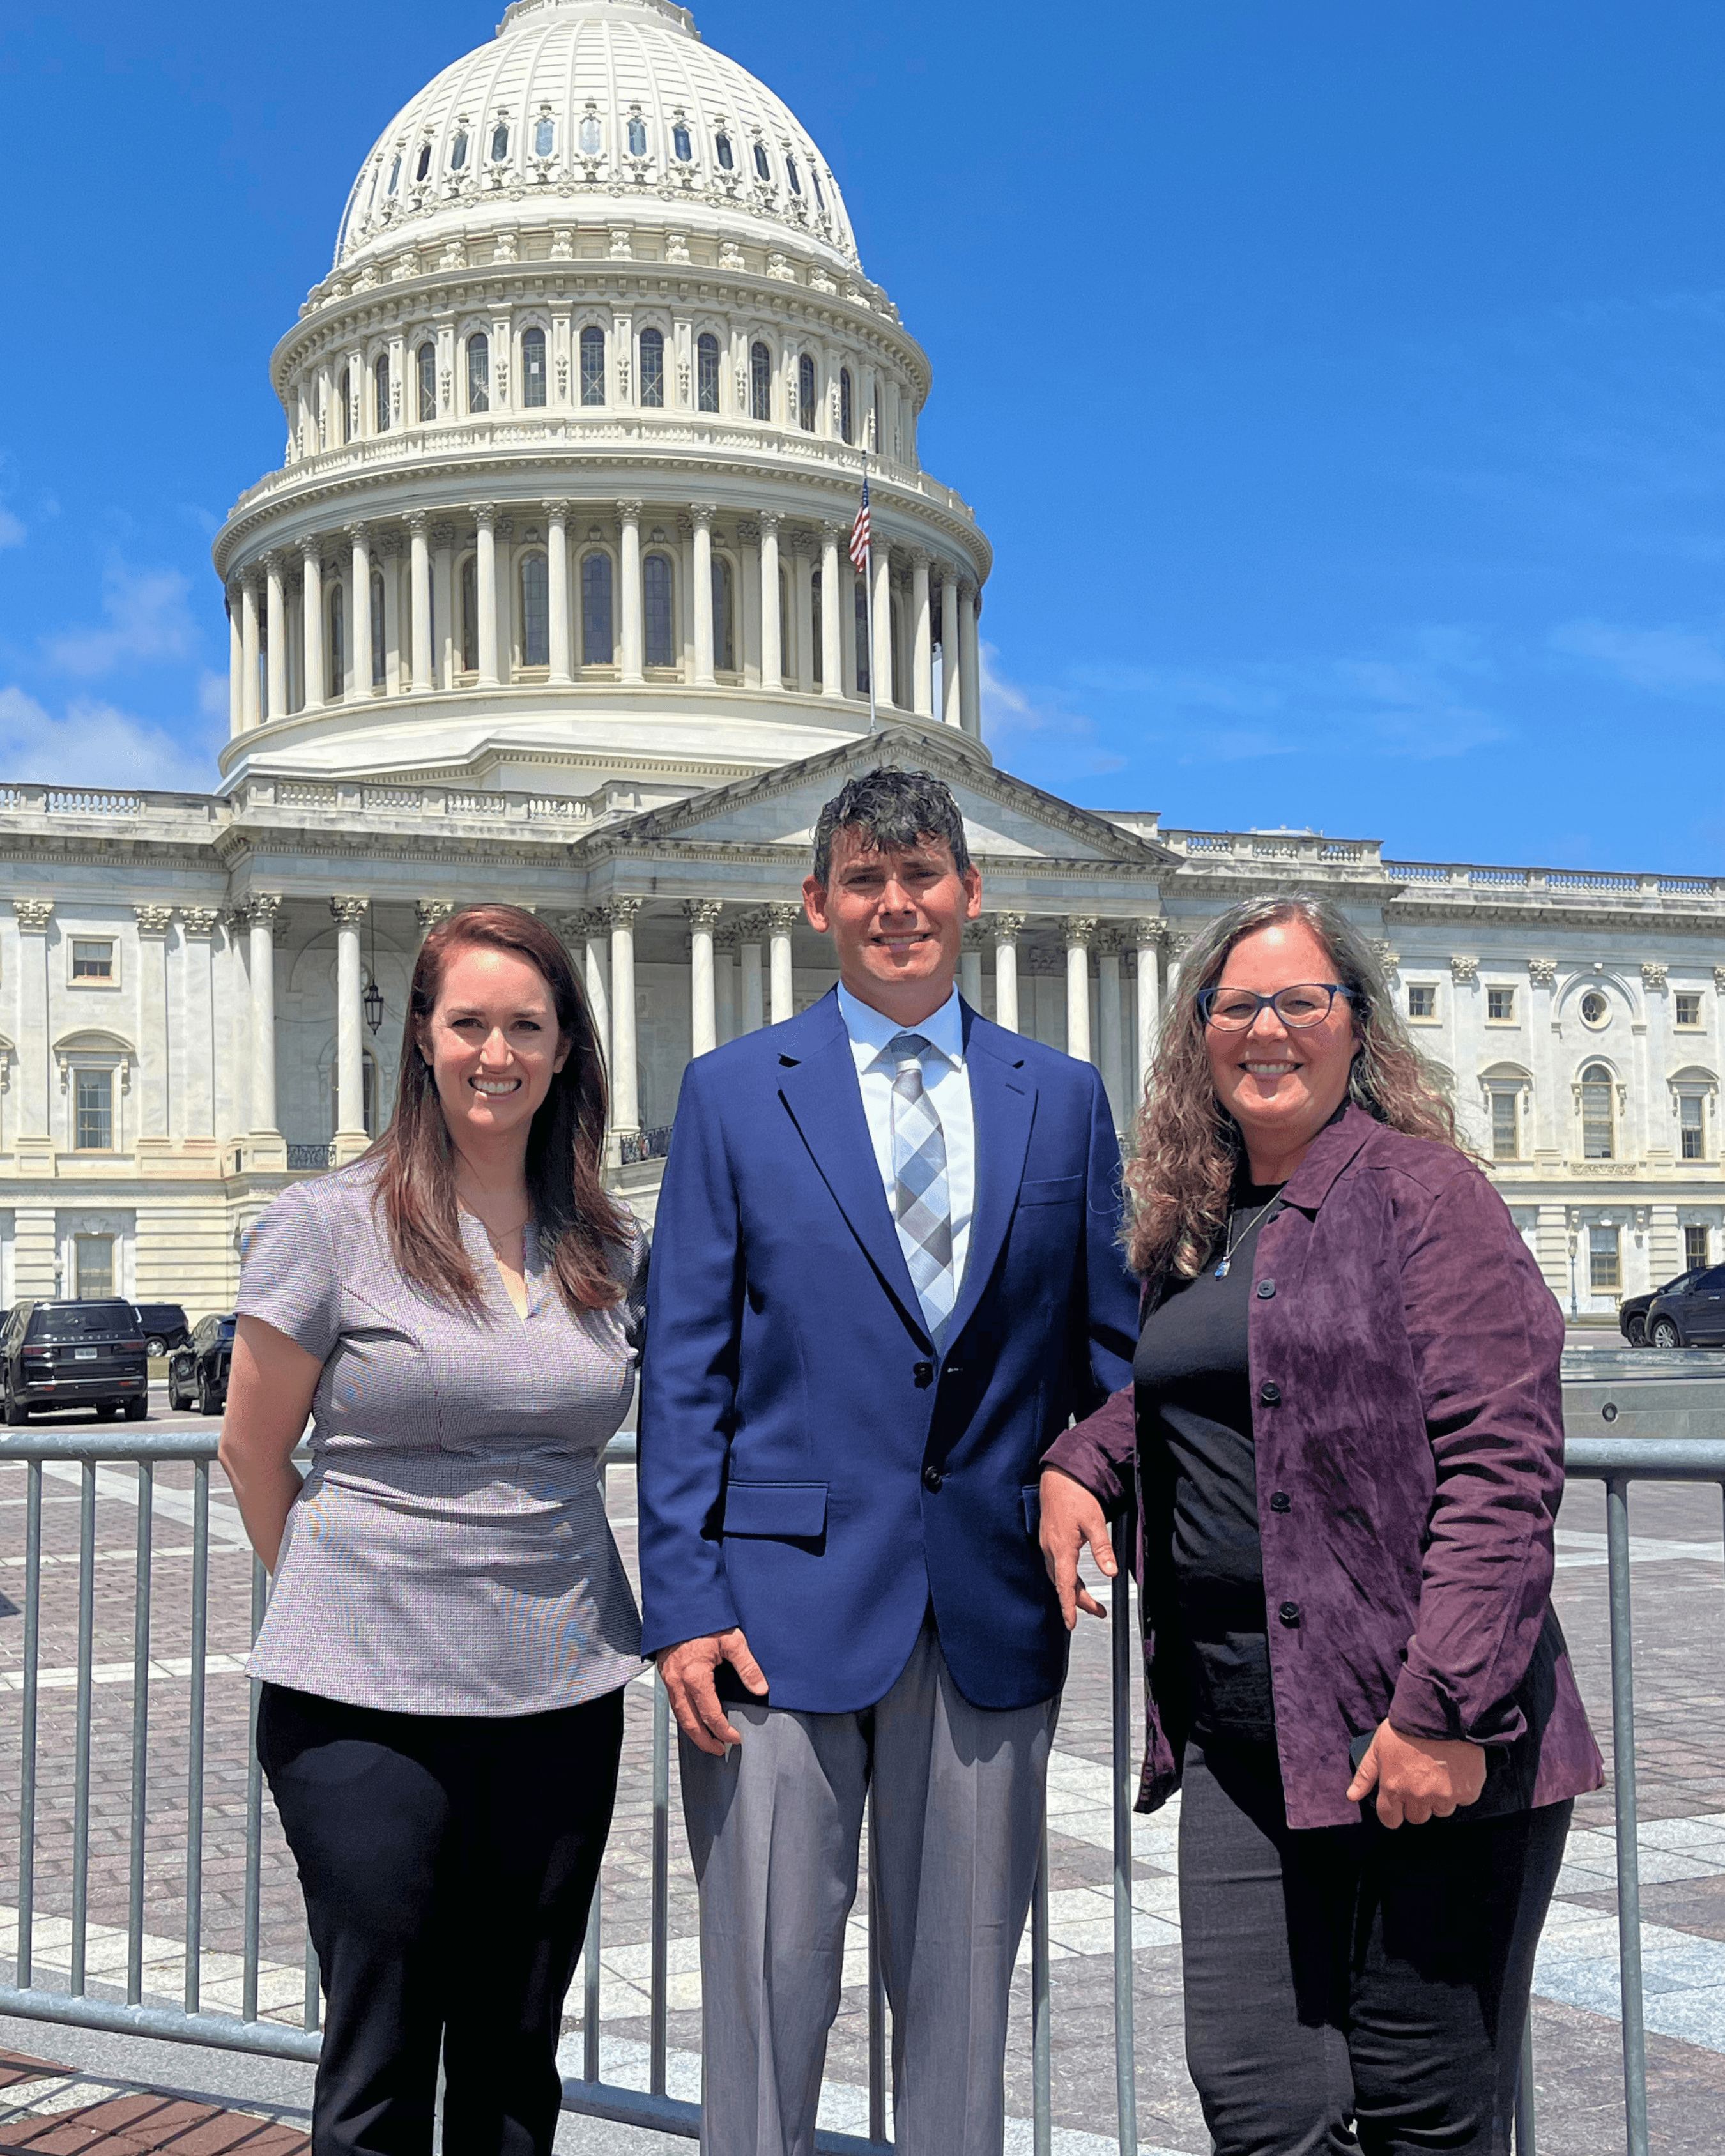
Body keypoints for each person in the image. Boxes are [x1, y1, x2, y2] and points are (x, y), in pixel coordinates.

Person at [1039, 893, 1604, 2156]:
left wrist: (1444, 1708)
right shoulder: (1193, 1219)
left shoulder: (1426, 1193)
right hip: (1247, 1740)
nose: (1270, 1028)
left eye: (1305, 1000)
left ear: (1359, 1028)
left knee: (1424, 2113)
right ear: (1199, 1033)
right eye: (1238, 1003)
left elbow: (1505, 1464)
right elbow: (1196, 1389)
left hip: (1420, 1726)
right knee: (1263, 2106)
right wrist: (1083, 1459)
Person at [638, 768, 1138, 2156]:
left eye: (922, 878)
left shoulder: (1065, 1097)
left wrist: (1090, 1476)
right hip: (773, 1618)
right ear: (816, 904)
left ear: (974, 893)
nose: (896, 905)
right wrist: (680, 1601)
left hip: (983, 1605)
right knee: (765, 2000)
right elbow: (685, 1369)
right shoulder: (734, 1094)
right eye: (865, 879)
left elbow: (1113, 1353)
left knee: (963, 2015)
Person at [218, 903, 645, 2155]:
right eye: (469, 1023)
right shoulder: (324, 1222)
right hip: (363, 1711)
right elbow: (252, 1448)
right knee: (383, 2069)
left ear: (566, 1047)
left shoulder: (604, 1242)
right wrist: (347, 1593)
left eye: (526, 1024)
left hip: (563, 1696)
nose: (496, 1051)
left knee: (517, 2070)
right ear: (421, 1036)